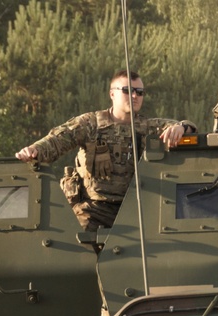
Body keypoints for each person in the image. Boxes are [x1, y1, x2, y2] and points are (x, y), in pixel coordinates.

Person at [16, 69, 196, 231]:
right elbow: (58, 139)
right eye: (127, 90)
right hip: (94, 210)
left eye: (139, 92)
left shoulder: (148, 127)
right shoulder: (90, 124)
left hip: (137, 211)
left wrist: (182, 127)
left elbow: (183, 126)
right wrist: (34, 150)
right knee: (77, 249)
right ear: (112, 94)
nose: (134, 96)